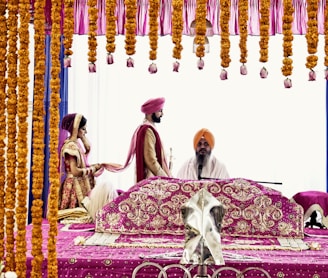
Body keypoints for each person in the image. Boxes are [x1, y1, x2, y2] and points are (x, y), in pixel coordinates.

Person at [58, 113, 117, 222]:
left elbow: (84, 160)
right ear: (76, 129)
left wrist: (96, 166)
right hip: (74, 187)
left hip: (81, 182)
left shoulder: (76, 144)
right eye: (84, 129)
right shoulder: (70, 146)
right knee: (81, 215)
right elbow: (75, 171)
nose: (86, 132)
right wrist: (93, 169)